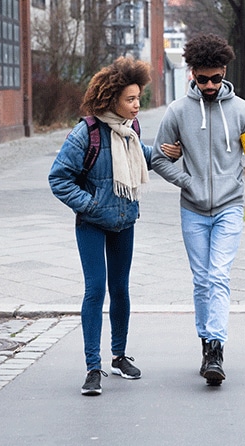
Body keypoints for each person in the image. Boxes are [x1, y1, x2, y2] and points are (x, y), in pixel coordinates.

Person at [49, 57, 180, 396]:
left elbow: (133, 155)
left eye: (139, 98)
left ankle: (119, 356)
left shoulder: (131, 130)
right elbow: (58, 179)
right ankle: (93, 367)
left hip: (124, 221)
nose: (138, 105)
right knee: (96, 290)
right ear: (111, 100)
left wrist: (161, 152)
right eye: (130, 99)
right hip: (92, 223)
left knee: (120, 289)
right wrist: (91, 205)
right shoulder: (86, 133)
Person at [151, 34, 245, 386]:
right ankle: (206, 342)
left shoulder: (242, 111)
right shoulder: (177, 112)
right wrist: (185, 180)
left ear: (224, 72)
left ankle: (216, 348)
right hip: (192, 209)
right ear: (192, 74)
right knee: (202, 280)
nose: (208, 85)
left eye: (215, 78)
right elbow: (158, 157)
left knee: (218, 275)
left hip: (229, 208)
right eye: (201, 79)